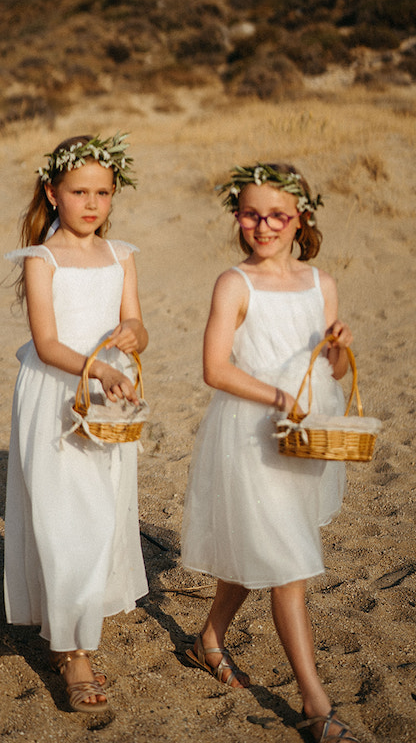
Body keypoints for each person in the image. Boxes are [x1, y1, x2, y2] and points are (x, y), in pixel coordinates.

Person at [181, 162, 360, 742]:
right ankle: (315, 703)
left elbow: (330, 369)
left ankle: (208, 636)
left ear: (300, 217)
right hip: (253, 435)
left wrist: (338, 349)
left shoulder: (320, 283)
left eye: (278, 215)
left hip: (305, 437)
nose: (264, 225)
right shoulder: (235, 283)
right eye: (253, 213)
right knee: (289, 565)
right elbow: (215, 369)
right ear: (238, 216)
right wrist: (277, 394)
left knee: (258, 551)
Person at [3, 133, 149, 712]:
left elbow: (135, 322)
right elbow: (45, 342)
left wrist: (135, 337)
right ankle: (72, 653)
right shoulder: (42, 258)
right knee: (65, 516)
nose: (92, 203)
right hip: (59, 392)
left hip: (110, 395)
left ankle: (79, 621)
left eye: (103, 192)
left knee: (102, 511)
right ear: (52, 192)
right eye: (79, 191)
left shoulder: (122, 255)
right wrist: (95, 372)